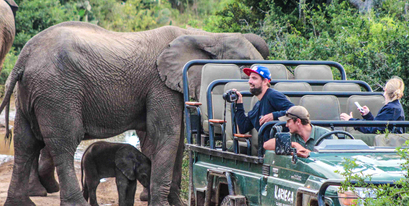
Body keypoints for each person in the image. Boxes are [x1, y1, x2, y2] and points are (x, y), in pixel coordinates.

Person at [234, 65, 294, 141]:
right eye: (249, 78)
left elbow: (294, 112)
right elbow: (243, 128)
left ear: (265, 81)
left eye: (254, 78)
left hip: (281, 147)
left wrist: (274, 116)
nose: (250, 81)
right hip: (265, 149)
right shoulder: (257, 106)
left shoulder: (272, 95)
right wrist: (239, 103)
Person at [340, 76, 405, 133]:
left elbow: (373, 129)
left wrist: (351, 120)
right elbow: (377, 125)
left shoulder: (391, 109)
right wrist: (368, 116)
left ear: (385, 90)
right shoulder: (396, 107)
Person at [263, 106, 333, 158]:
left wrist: (310, 154)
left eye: (288, 121)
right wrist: (294, 144)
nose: (286, 125)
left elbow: (336, 157)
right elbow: (266, 145)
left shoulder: (326, 134)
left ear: (298, 121)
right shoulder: (291, 136)